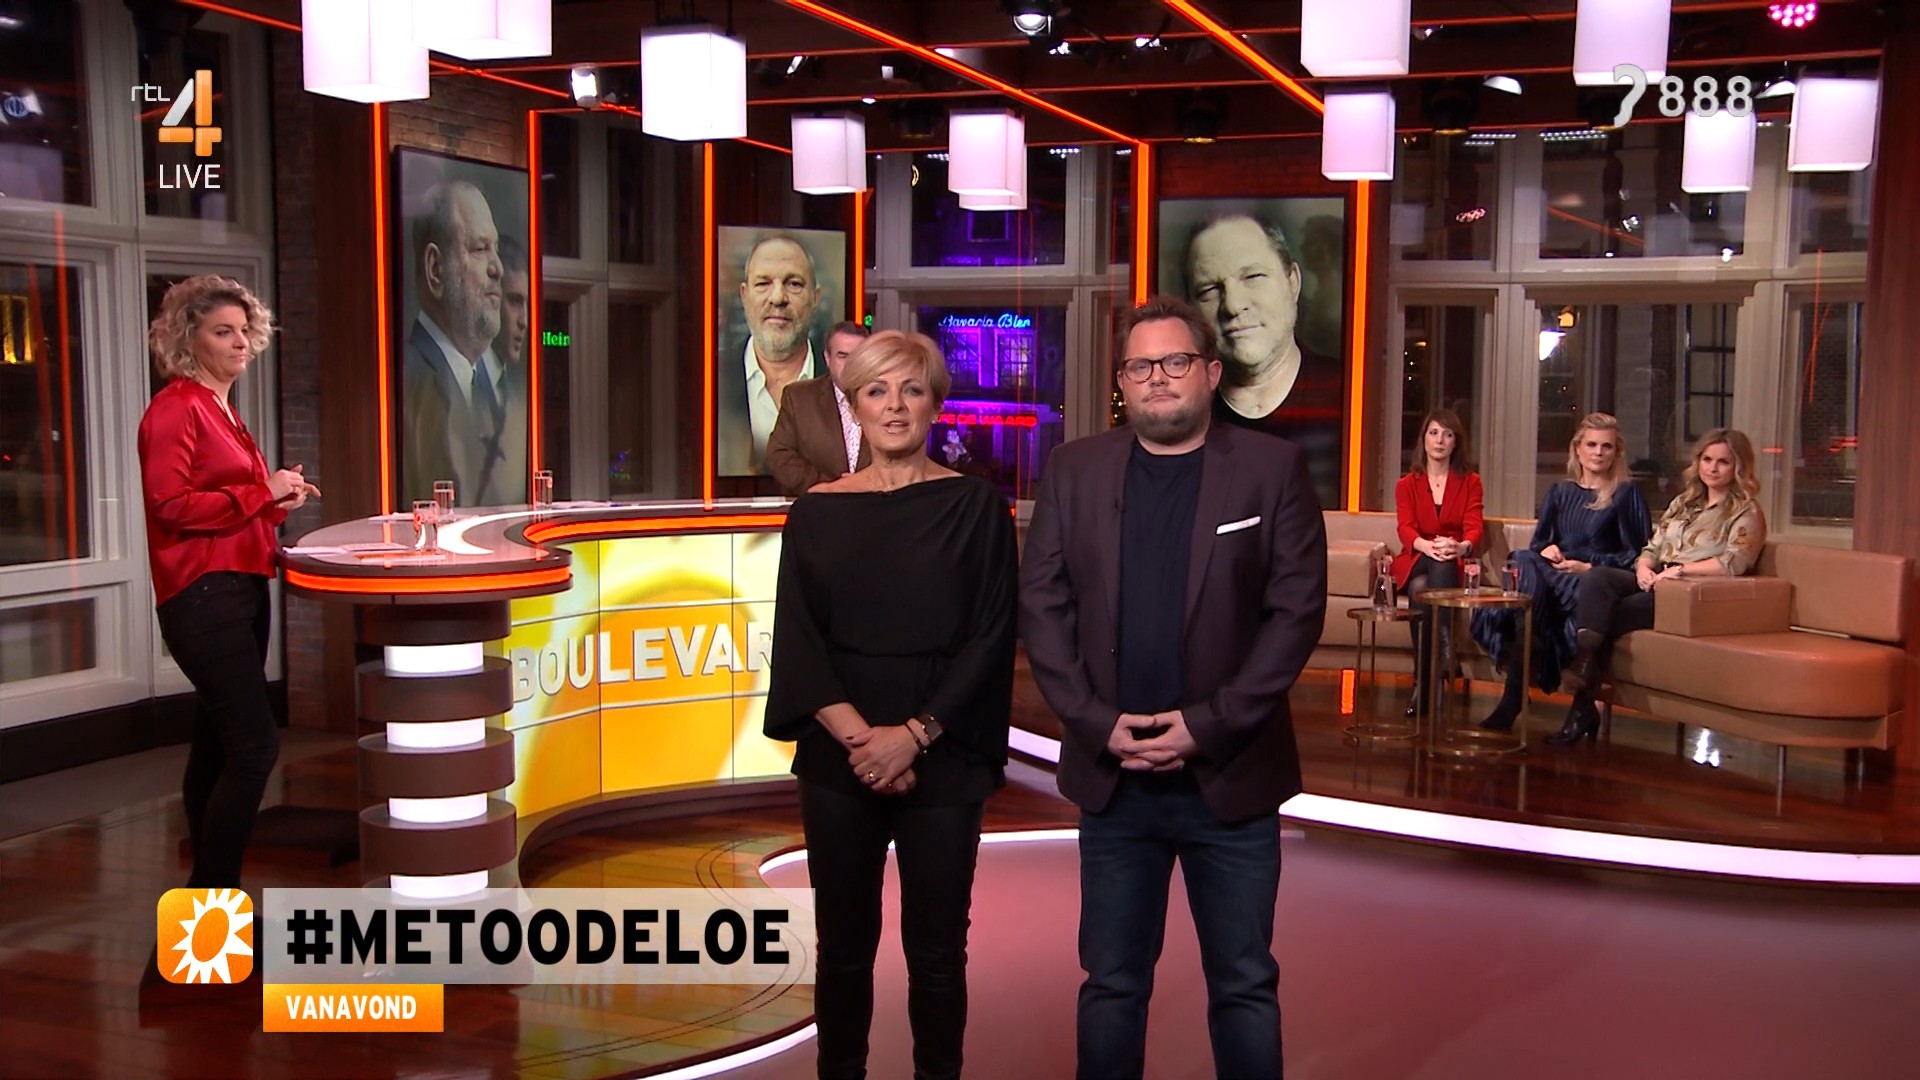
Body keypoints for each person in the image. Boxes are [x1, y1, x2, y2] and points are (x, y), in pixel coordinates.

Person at [1020, 295, 1327, 1080]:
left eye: (1175, 361)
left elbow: (1294, 614)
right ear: (1122, 380)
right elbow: (1044, 607)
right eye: (1140, 366)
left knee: (1244, 985)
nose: (1157, 377)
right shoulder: (1074, 469)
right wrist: (1095, 722)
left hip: (1230, 778)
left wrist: (1207, 725)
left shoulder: (1272, 469)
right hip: (1114, 780)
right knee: (1112, 984)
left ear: (1211, 372)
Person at [764, 330, 1017, 1080]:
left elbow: (992, 637)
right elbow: (799, 641)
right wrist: (863, 743)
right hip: (840, 762)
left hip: (945, 753)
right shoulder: (815, 513)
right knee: (843, 948)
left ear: (936, 404)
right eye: (877, 390)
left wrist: (913, 735)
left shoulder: (976, 507)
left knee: (937, 953)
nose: (895, 406)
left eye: (912, 389)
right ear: (855, 406)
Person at [139, 276, 319, 890]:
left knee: (218, 744)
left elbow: (233, 508)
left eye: (244, 330)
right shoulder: (176, 408)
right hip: (201, 595)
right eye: (224, 332)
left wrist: (276, 502)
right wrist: (259, 491)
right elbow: (170, 506)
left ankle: (206, 917)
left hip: (241, 588)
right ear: (188, 339)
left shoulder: (223, 410)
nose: (241, 342)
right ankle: (213, 901)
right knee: (254, 748)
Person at [1551, 428, 1767, 746]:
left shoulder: (1746, 512)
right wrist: (1643, 567)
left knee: (1615, 611)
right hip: (1658, 578)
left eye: (1723, 462)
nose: (1713, 468)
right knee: (1599, 578)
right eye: (1707, 459)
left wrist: (1680, 571)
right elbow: (1652, 547)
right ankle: (1585, 661)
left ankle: (1582, 700)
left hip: (1691, 592)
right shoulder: (1683, 502)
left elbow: (1733, 563)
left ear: (1738, 467)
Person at [1470, 414, 1652, 731]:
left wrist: (1587, 565)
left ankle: (1516, 684)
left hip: (1587, 584)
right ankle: (1529, 632)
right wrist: (1548, 550)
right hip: (1550, 579)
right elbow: (1539, 544)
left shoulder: (1626, 495)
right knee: (1523, 557)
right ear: (1577, 449)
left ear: (1616, 453)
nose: (1598, 452)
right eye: (1591, 445)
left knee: (1523, 597)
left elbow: (1637, 556)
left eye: (1606, 446)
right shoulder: (1559, 491)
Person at [1182, 212, 1345, 508]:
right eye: (1208, 290)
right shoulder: (1184, 417)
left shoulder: (1348, 396)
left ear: (1293, 281)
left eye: (1253, 277)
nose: (1233, 305)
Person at [402, 179, 504, 506]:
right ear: (436, 269)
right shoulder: (408, 381)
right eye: (479, 249)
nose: (498, 269)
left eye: (496, 249)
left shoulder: (489, 387)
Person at [1390, 409, 1484, 718]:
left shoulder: (1470, 482)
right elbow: (1405, 528)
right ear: (1424, 440)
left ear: (1456, 442)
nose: (1440, 440)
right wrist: (1427, 546)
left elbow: (1474, 526)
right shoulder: (1407, 484)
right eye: (1433, 433)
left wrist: (1460, 547)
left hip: (1452, 560)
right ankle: (1446, 650)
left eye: (1448, 434)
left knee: (1421, 589)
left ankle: (1423, 683)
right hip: (1417, 556)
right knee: (1429, 569)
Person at [718, 234, 825, 475]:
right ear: (744, 295)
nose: (777, 298)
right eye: (763, 284)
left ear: (815, 298)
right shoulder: (712, 376)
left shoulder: (844, 384)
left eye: (794, 284)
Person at [764, 320, 870, 495]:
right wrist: (832, 488)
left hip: (876, 504)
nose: (851, 365)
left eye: (857, 357)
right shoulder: (799, 398)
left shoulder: (886, 399)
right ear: (828, 358)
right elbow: (779, 455)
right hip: (819, 503)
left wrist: (870, 483)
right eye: (842, 356)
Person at [475, 233, 531, 505]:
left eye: (527, 305)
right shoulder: (463, 382)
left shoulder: (515, 397)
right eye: (515, 301)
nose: (524, 321)